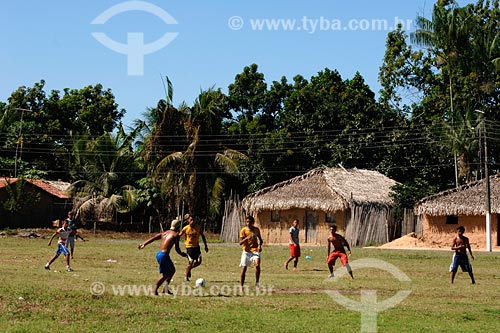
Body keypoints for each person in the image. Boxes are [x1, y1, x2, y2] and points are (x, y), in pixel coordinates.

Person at [138, 219, 187, 295]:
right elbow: (177, 248)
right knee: (165, 274)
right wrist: (182, 254)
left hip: (159, 254)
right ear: (178, 227)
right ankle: (154, 290)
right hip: (164, 255)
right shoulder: (176, 235)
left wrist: (144, 244)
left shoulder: (164, 233)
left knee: (172, 270)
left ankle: (165, 289)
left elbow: (154, 237)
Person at [179, 214, 209, 282]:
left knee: (199, 261)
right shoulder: (185, 228)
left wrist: (205, 246)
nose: (192, 221)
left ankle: (189, 269)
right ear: (188, 220)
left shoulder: (198, 227)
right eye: (191, 220)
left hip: (196, 247)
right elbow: (179, 235)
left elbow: (203, 236)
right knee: (191, 262)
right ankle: (186, 277)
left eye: (194, 220)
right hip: (189, 248)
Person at [239, 215, 263, 289]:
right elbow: (240, 243)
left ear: (253, 222)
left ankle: (257, 283)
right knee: (244, 268)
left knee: (257, 264)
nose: (248, 223)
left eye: (250, 222)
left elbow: (260, 240)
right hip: (246, 251)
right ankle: (241, 286)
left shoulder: (256, 230)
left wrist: (259, 246)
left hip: (255, 251)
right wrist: (247, 238)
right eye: (247, 222)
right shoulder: (243, 230)